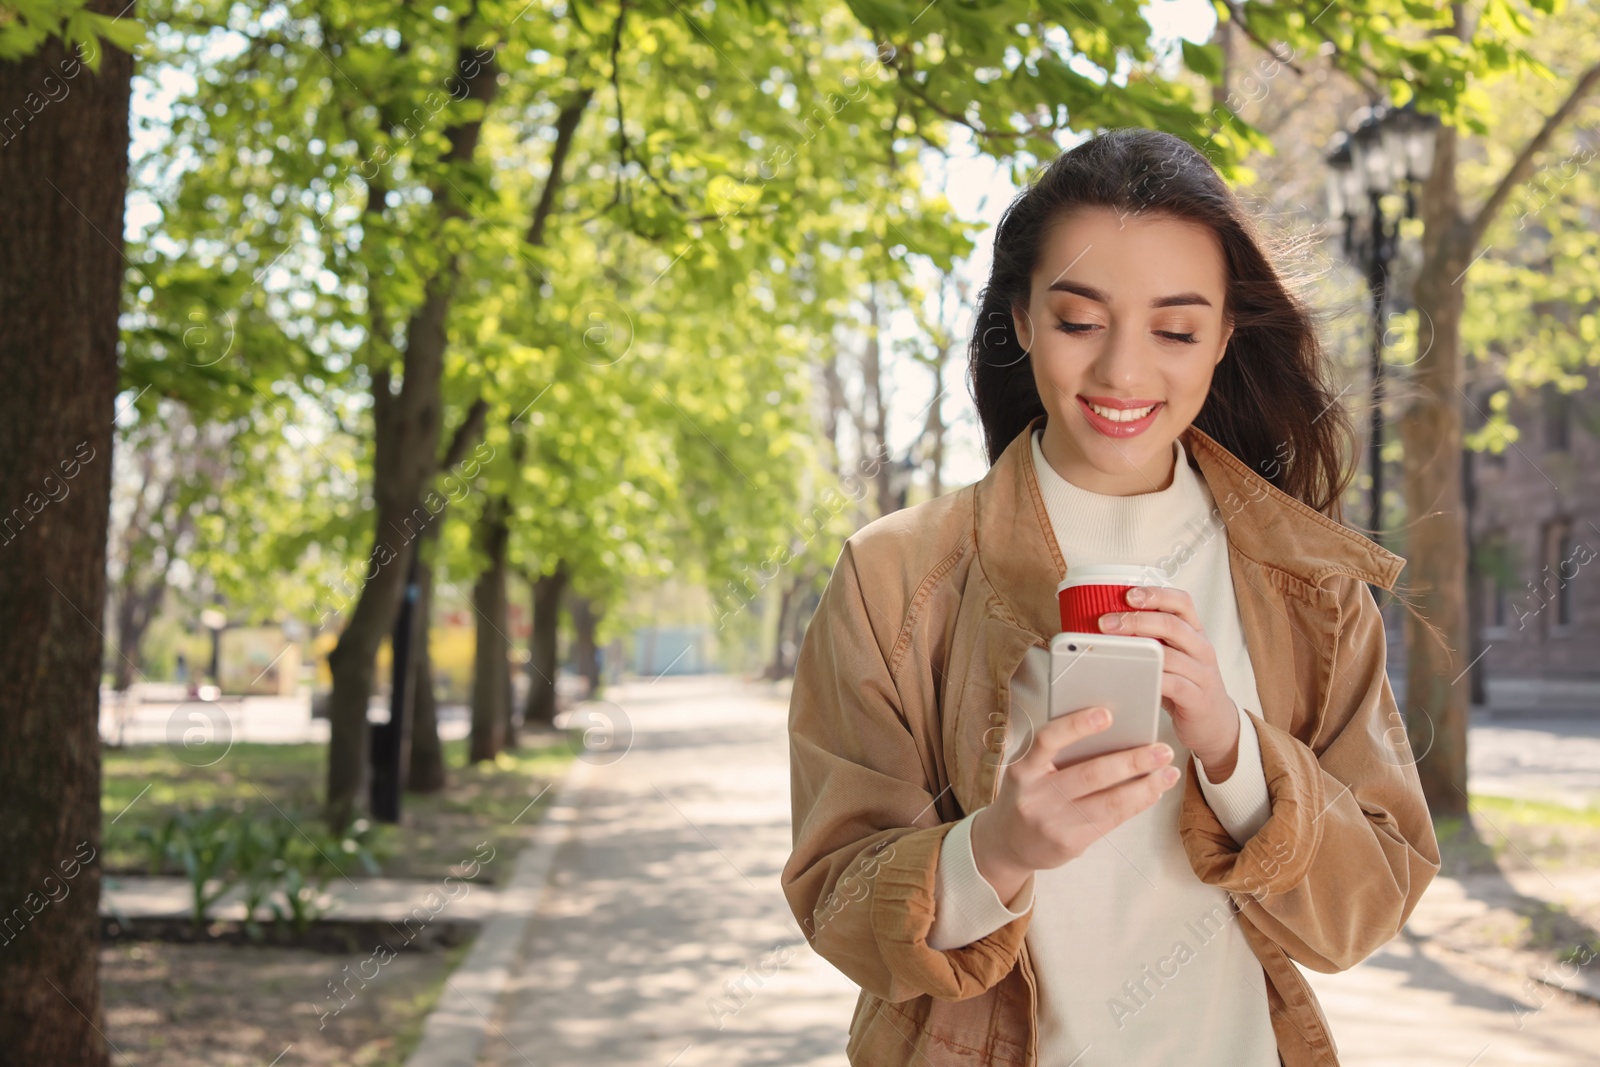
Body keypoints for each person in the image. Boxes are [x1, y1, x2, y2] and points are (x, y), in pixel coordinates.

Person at [780, 128, 1440, 1067]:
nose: (1124, 373)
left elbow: (1367, 905)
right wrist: (998, 847)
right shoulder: (895, 576)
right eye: (1081, 321)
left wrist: (1234, 747)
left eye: (1174, 329)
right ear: (1020, 319)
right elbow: (837, 902)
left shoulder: (1309, 586)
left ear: (1221, 338)